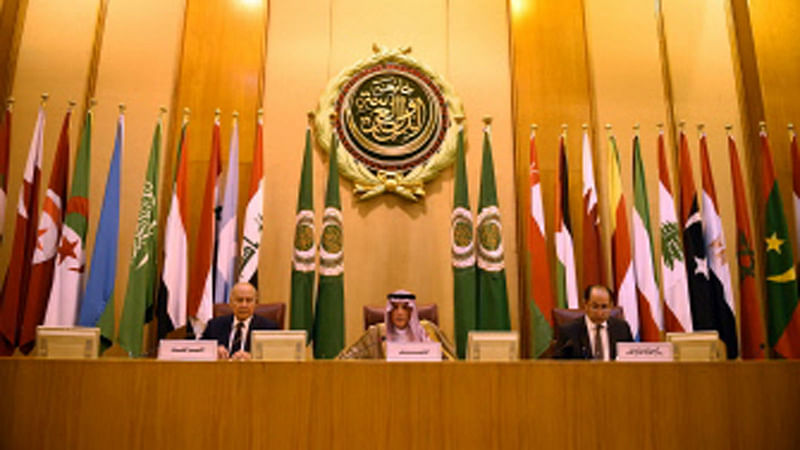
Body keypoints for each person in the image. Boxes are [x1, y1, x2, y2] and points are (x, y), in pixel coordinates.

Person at [337, 290, 456, 360]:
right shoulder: (377, 333)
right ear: (389, 311)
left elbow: (453, 362)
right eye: (395, 308)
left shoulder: (428, 331)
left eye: (405, 308)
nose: (400, 312)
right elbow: (345, 361)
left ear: (411, 312)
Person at [202, 282, 279, 360]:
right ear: (231, 302)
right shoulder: (214, 325)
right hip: (221, 371)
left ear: (255, 303)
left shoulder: (268, 328)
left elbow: (276, 356)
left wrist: (253, 358)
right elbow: (200, 351)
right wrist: (213, 351)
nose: (244, 305)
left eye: (248, 300)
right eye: (239, 300)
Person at [553, 284, 633, 360]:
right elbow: (558, 364)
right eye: (595, 307)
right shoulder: (569, 331)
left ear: (611, 306)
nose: (600, 312)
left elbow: (632, 360)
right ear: (585, 305)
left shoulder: (622, 329)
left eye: (604, 307)